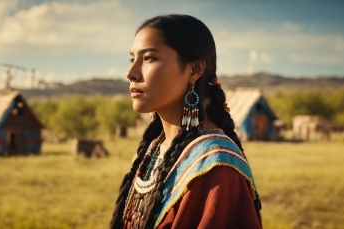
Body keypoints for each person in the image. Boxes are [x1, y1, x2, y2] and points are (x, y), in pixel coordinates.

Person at [110, 14, 262, 229]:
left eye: (149, 58)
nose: (131, 73)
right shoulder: (153, 150)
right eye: (132, 59)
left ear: (194, 70)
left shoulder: (217, 169)